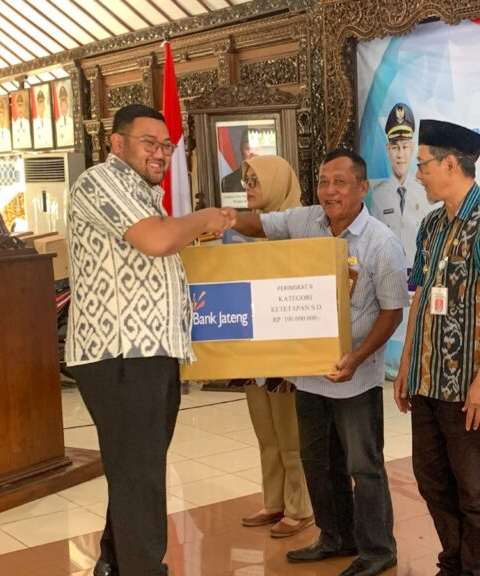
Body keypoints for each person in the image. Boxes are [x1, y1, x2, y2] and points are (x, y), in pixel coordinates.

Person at [65, 103, 234, 576]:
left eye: (167, 146)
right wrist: (204, 217)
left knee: (134, 470)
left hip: (149, 354)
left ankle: (114, 563)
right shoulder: (101, 181)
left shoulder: (140, 193)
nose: (160, 153)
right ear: (117, 143)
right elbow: (157, 241)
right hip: (121, 355)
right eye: (149, 143)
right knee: (140, 476)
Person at [227, 149, 408, 576]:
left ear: (362, 188)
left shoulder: (381, 242)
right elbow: (260, 225)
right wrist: (224, 219)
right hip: (309, 375)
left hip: (355, 377)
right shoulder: (305, 221)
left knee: (363, 467)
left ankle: (378, 549)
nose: (330, 191)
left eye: (340, 182)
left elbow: (392, 312)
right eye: (324, 181)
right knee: (318, 463)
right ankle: (335, 537)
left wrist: (357, 358)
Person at [394, 119, 480, 576]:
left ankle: (479, 570)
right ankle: (454, 563)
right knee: (432, 481)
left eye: (423, 165)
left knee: (476, 492)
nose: (418, 175)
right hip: (428, 381)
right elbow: (420, 297)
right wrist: (407, 365)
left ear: (450, 164)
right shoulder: (431, 225)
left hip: (470, 385)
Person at [230, 156, 314, 538]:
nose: (248, 189)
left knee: (291, 433)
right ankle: (274, 500)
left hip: (288, 348)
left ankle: (300, 506)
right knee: (266, 431)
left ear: (278, 184)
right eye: (246, 182)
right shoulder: (242, 235)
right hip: (254, 348)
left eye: (255, 181)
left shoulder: (301, 230)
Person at [369, 102, 435, 266]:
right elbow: (374, 242)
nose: (400, 154)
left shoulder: (426, 192)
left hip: (421, 274)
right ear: (387, 149)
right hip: (388, 272)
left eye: (405, 147)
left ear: (412, 148)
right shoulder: (378, 196)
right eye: (395, 148)